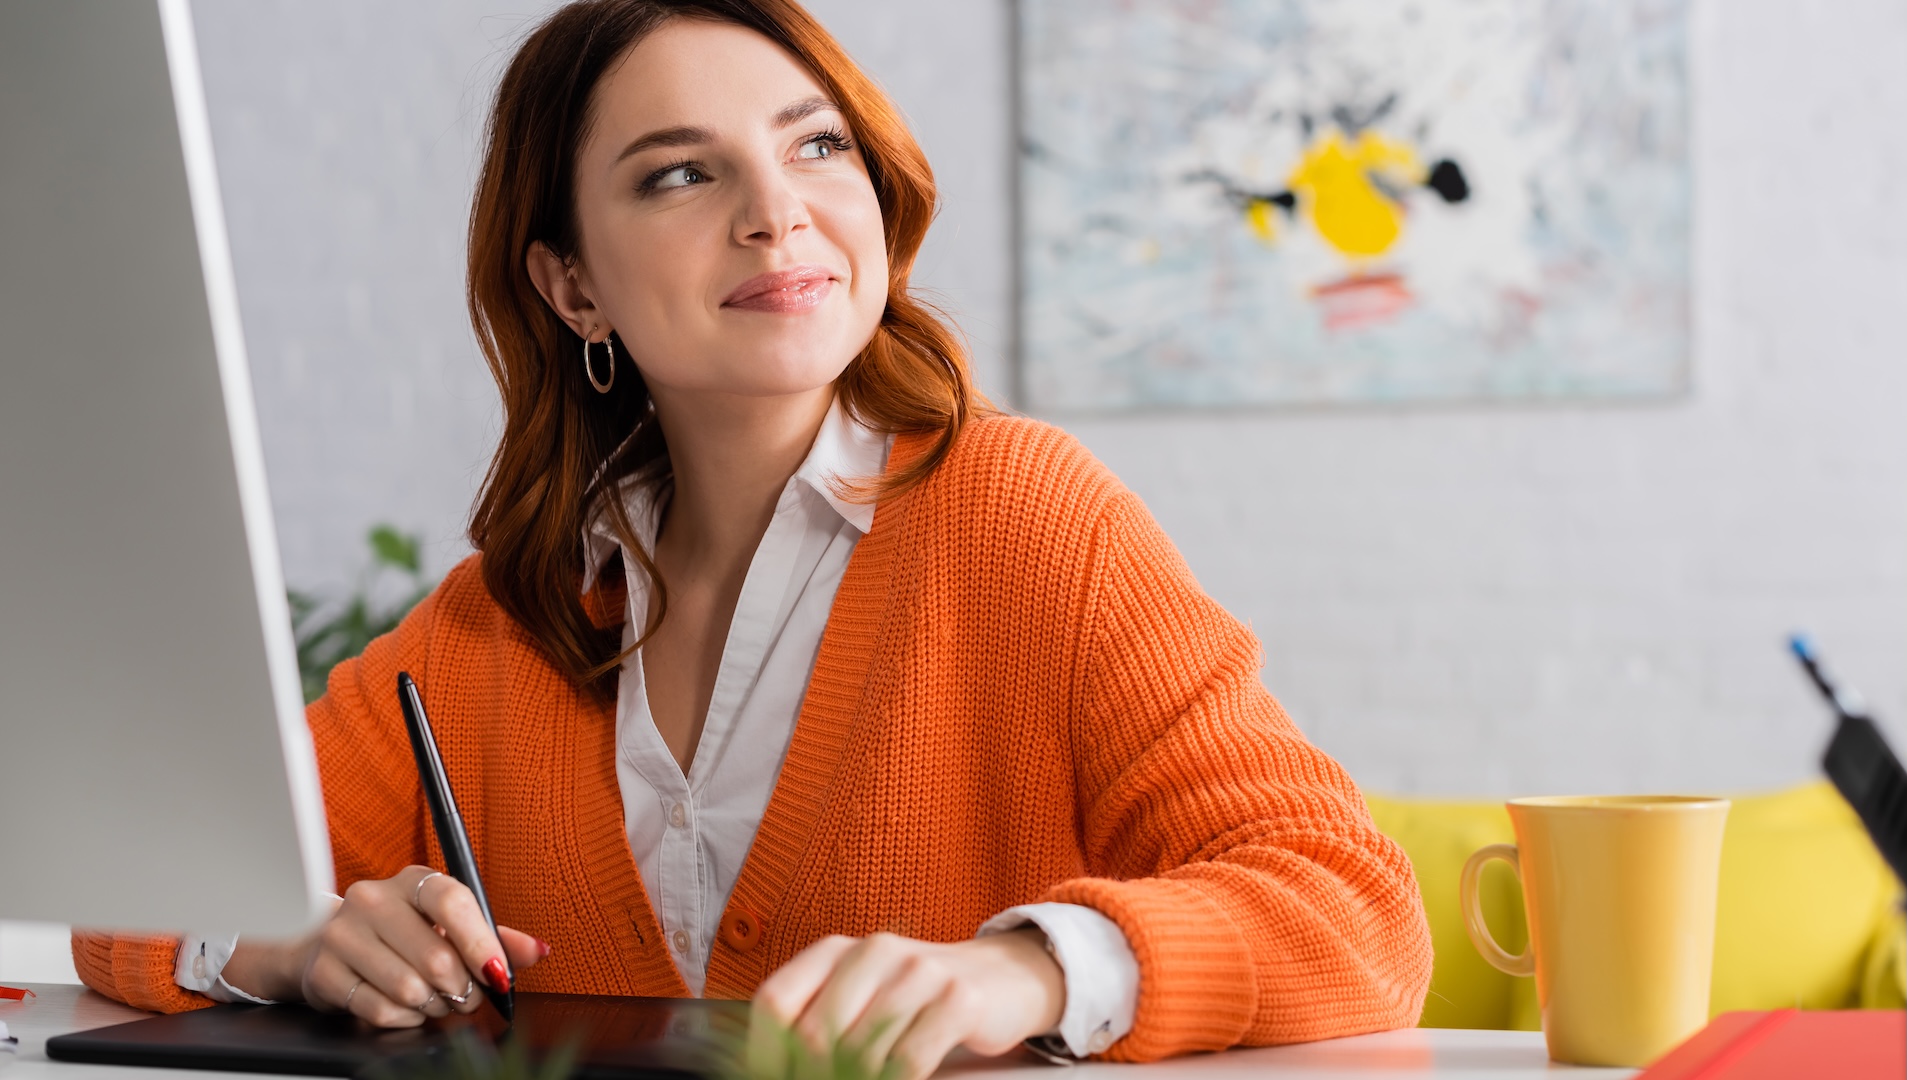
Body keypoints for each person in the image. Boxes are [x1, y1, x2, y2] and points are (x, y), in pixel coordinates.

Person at [73, 1, 1432, 1075]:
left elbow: (1349, 908)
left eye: (816, 145)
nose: (776, 210)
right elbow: (133, 881)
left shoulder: (1028, 519)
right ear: (572, 284)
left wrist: (1012, 974)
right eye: (678, 174)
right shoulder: (501, 619)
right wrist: (301, 941)